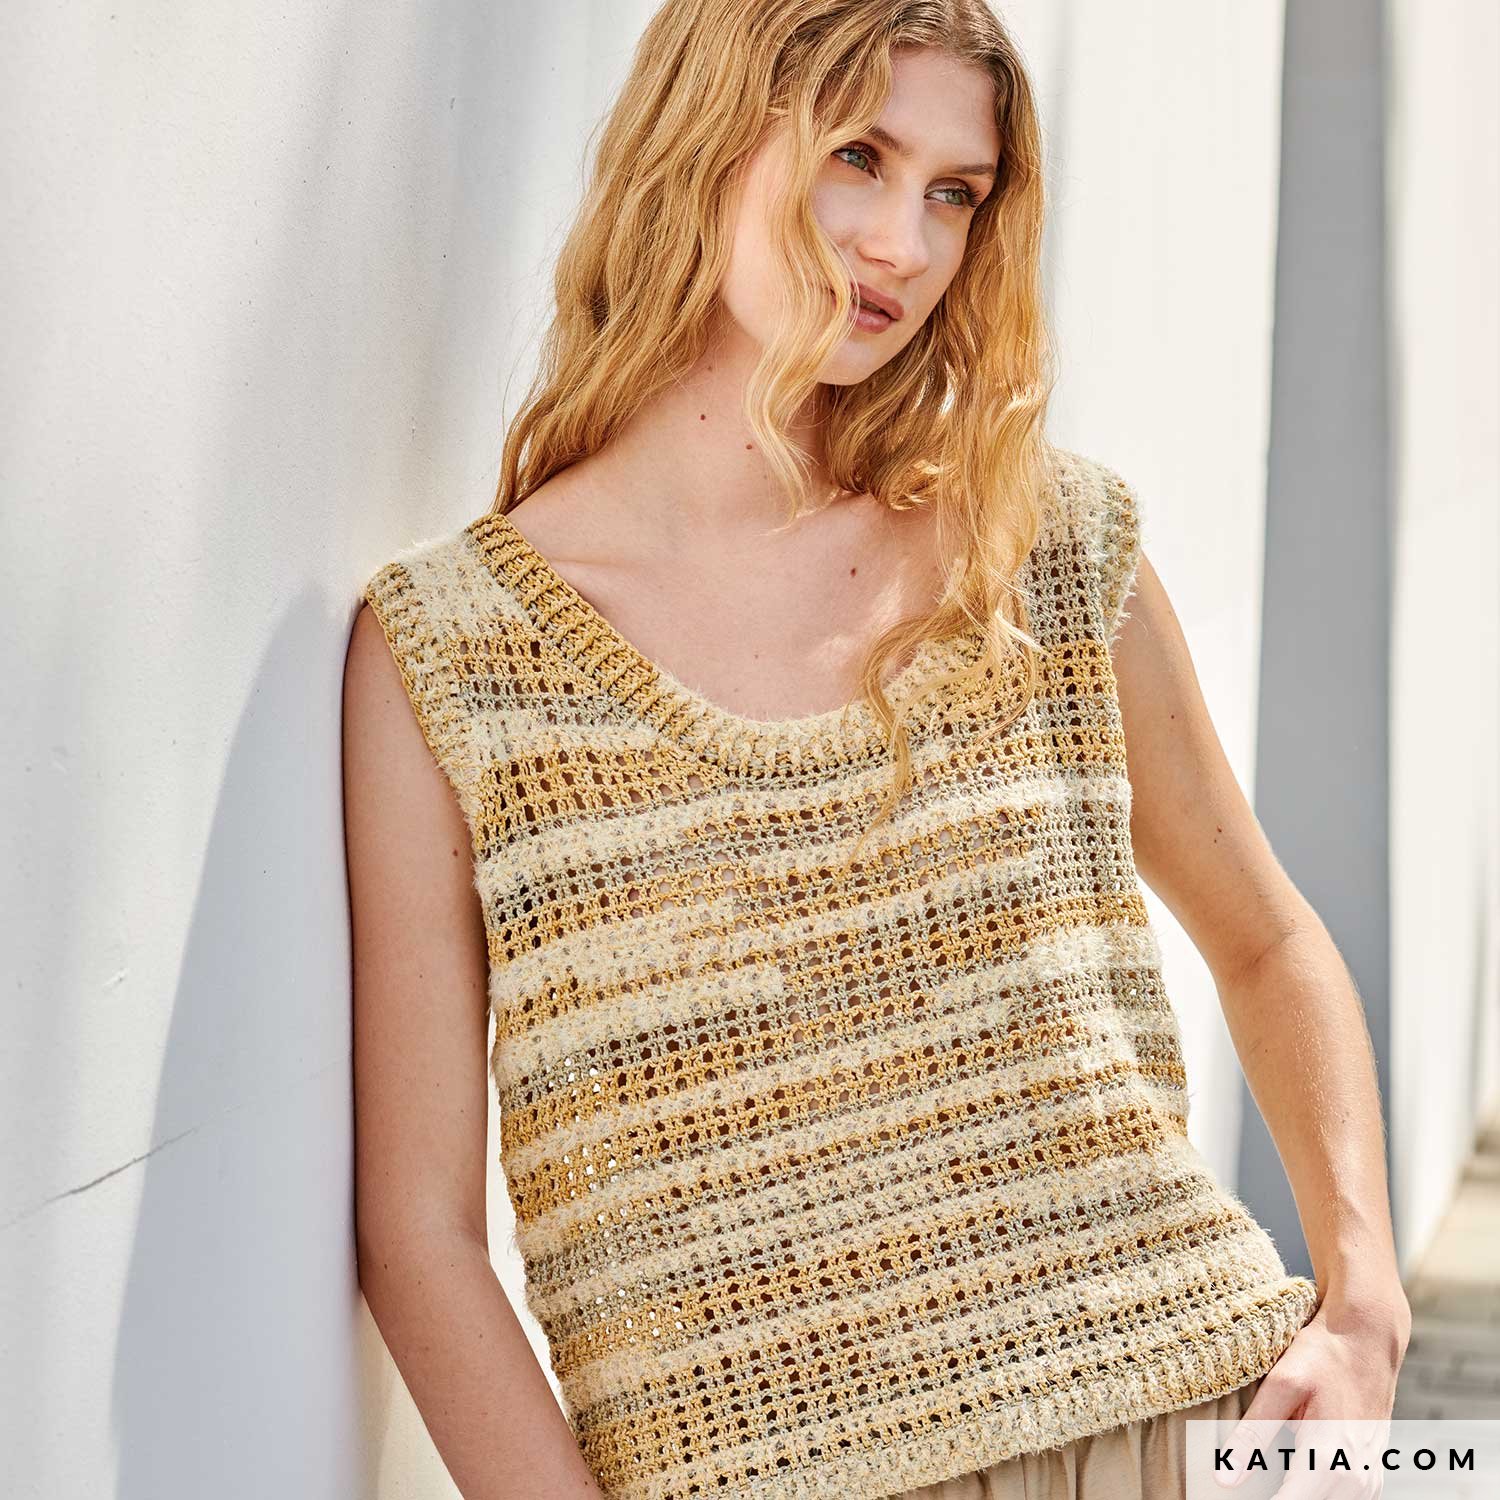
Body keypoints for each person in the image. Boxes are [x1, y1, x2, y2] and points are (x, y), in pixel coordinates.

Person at [341, 2, 1410, 1496]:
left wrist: (1363, 1308)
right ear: (707, 135)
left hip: (1197, 1415)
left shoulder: (1041, 544)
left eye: (954, 192)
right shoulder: (460, 654)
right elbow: (421, 1238)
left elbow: (1266, 935)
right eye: (859, 156)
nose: (903, 244)